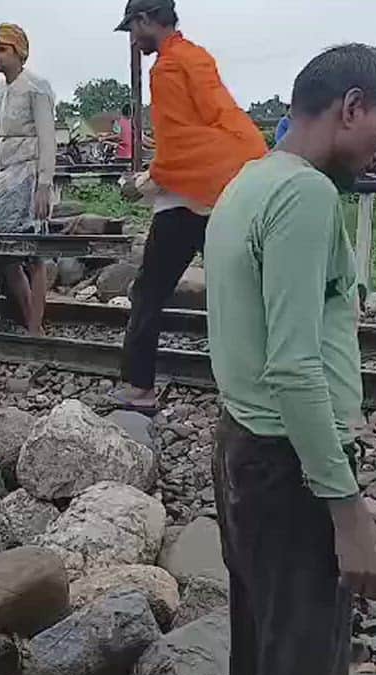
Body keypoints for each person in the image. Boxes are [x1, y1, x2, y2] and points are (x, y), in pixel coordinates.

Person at [204, 44, 376, 675]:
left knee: (262, 658)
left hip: (244, 449)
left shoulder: (249, 182)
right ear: (350, 107)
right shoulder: (305, 193)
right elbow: (293, 367)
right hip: (287, 466)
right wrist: (345, 510)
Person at [110, 0, 268, 413]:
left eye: (132, 29)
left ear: (145, 21)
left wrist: (141, 183)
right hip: (227, 191)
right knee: (240, 295)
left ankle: (139, 388)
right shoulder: (197, 56)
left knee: (148, 292)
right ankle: (258, 387)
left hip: (183, 200)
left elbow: (178, 147)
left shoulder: (166, 69)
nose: (133, 39)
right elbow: (214, 125)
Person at [0, 23, 57, 336]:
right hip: (5, 177)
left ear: (18, 52)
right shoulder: (0, 93)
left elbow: (48, 139)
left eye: (2, 50)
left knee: (34, 256)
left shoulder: (36, 87)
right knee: (8, 256)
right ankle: (28, 320)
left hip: (29, 176)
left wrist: (44, 185)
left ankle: (36, 330)